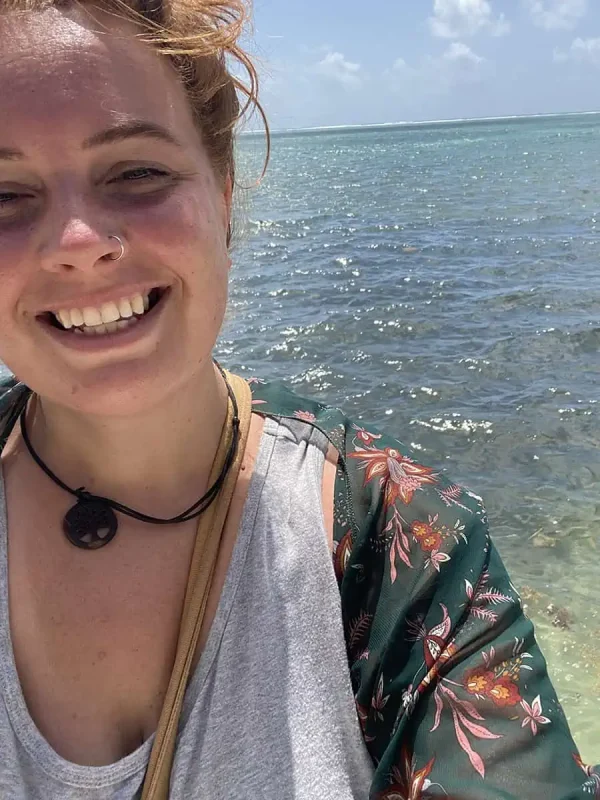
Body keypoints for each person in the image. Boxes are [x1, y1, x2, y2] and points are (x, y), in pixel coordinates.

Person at [0, 0, 596, 798]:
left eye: (137, 172)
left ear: (223, 189)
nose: (78, 244)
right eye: (4, 193)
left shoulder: (406, 543)